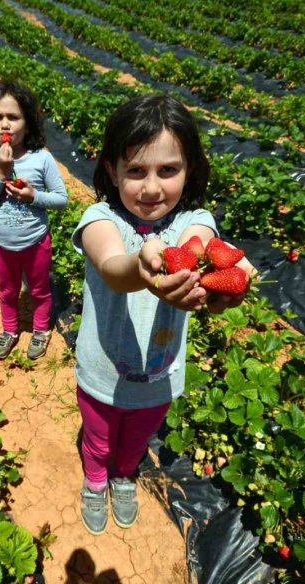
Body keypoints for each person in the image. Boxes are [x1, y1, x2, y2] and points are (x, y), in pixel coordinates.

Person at [71, 95, 253, 534]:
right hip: (101, 371)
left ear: (188, 169)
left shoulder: (194, 222)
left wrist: (233, 278)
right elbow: (114, 269)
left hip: (160, 374)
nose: (152, 187)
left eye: (167, 170)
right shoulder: (100, 220)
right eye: (136, 171)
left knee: (136, 438)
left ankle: (123, 475)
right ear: (112, 170)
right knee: (97, 437)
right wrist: (143, 265)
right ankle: (96, 479)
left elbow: (204, 246)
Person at [0, 82, 68, 361]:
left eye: (13, 117)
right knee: (8, 290)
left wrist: (33, 196)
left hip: (36, 241)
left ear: (28, 123)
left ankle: (40, 330)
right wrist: (0, 173)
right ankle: (9, 330)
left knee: (39, 289)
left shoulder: (42, 159)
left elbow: (61, 199)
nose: (5, 124)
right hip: (2, 243)